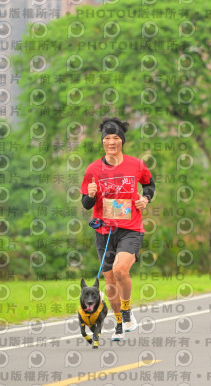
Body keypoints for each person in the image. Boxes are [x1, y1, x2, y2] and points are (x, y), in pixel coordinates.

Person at [81, 117, 155, 341]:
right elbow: (86, 204)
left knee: (120, 270)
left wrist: (145, 198)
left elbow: (149, 184)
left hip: (130, 228)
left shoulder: (136, 165)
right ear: (102, 141)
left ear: (122, 141)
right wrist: (91, 195)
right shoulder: (93, 169)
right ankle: (120, 324)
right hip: (104, 231)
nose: (111, 142)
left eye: (115, 138)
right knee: (110, 282)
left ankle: (127, 311)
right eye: (107, 138)